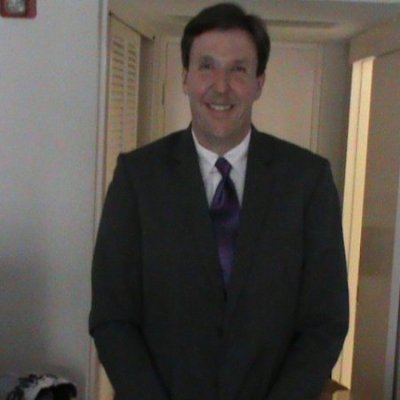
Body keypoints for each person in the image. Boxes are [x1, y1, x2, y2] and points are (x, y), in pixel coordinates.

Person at [89, 3, 349, 400]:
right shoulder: (138, 178)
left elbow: (325, 321)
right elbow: (113, 316)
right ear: (185, 78)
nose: (221, 86)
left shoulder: (307, 181)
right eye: (206, 66)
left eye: (238, 69)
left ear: (259, 82)